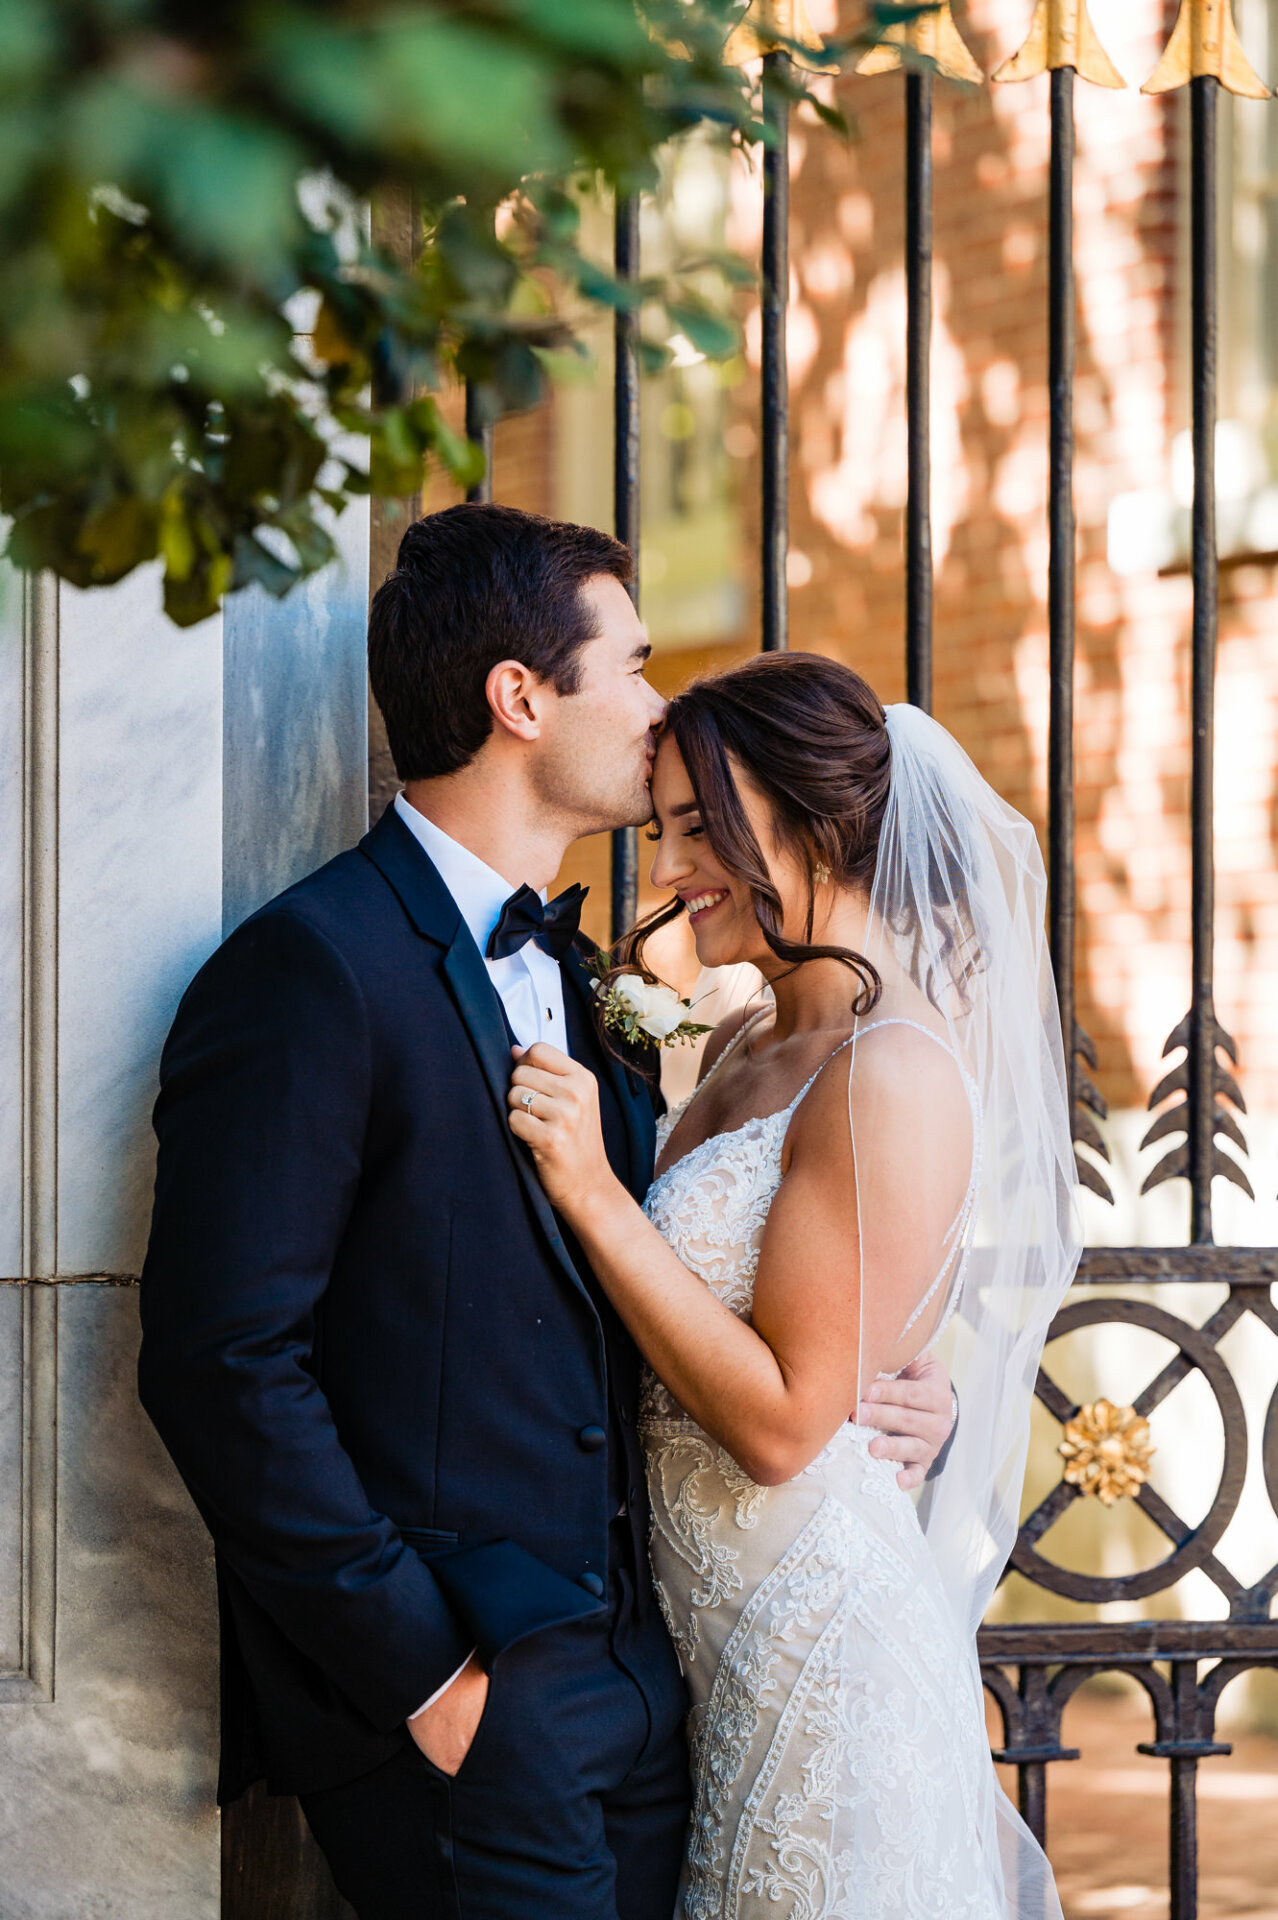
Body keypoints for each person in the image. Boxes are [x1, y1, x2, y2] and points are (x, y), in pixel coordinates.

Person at [137, 507, 955, 1920]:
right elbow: (220, 1362)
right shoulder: (309, 972)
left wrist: (886, 1380)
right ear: (521, 697)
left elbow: (654, 1291)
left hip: (664, 1687)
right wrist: (429, 1683)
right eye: (631, 668)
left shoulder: (592, 989)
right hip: (472, 1704)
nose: (656, 713)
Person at [507, 652, 1082, 1919]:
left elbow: (781, 1424)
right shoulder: (747, 1040)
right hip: (708, 1659)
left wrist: (596, 1193)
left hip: (827, 1671)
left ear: (816, 827)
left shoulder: (894, 1072)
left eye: (701, 830)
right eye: (661, 833)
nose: (664, 873)